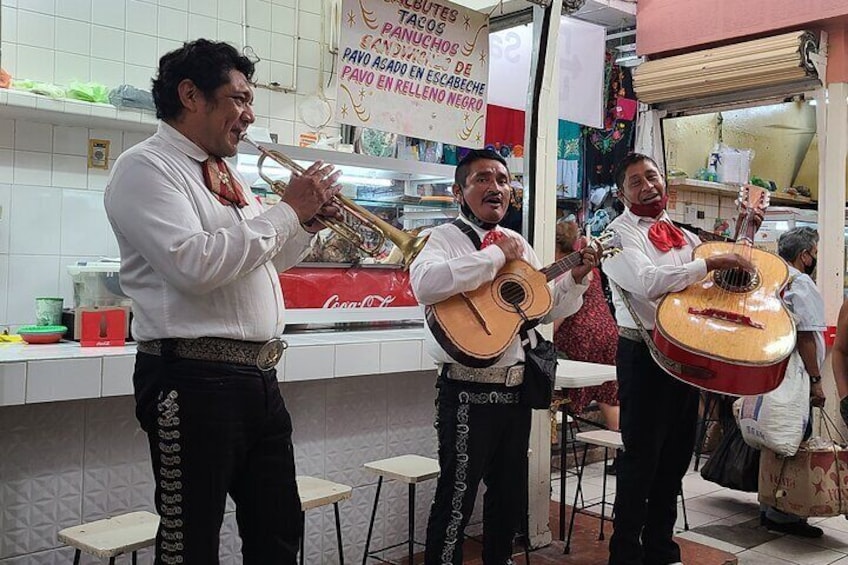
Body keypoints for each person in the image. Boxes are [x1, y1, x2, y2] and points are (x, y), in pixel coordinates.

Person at [104, 39, 342, 564]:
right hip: (191, 381)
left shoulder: (227, 175)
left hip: (259, 380)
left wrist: (302, 227)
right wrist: (285, 212)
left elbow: (255, 263)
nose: (249, 115)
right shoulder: (145, 168)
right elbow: (194, 265)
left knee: (279, 527)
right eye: (239, 99)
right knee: (191, 540)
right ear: (191, 95)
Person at [409, 149, 598, 565]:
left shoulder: (523, 247)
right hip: (464, 391)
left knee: (508, 495)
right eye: (482, 179)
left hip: (515, 391)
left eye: (502, 179)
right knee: (456, 497)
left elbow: (541, 309)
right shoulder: (441, 239)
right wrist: (498, 255)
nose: (495, 187)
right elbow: (426, 284)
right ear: (459, 191)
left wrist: (575, 280)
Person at [602, 153, 756, 565]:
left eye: (651, 176)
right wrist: (711, 261)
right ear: (622, 193)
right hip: (643, 353)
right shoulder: (615, 236)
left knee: (674, 458)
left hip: (684, 355)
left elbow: (713, 287)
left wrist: (744, 239)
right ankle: (625, 554)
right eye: (635, 181)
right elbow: (648, 284)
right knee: (640, 460)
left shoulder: (684, 237)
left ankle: (660, 549)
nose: (647, 185)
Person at [758, 226, 826, 537]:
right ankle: (786, 513)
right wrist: (816, 380)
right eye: (814, 252)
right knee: (795, 440)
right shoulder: (800, 283)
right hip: (795, 373)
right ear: (804, 255)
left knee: (774, 437)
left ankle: (769, 502)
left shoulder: (772, 275)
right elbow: (808, 336)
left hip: (771, 368)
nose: (815, 258)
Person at [552, 220, 620, 470]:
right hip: (607, 330)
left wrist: (546, 334)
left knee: (557, 392)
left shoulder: (564, 269)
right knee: (609, 396)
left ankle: (547, 451)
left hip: (582, 336)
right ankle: (620, 454)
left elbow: (559, 315)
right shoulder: (590, 265)